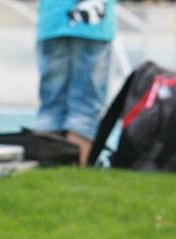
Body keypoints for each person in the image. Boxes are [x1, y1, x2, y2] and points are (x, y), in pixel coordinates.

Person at [34, 0, 116, 166]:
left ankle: (46, 168)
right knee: (85, 108)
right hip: (94, 25)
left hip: (52, 19)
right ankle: (75, 170)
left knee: (51, 108)